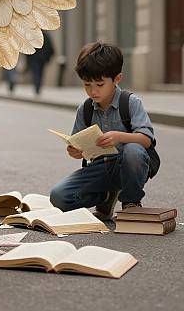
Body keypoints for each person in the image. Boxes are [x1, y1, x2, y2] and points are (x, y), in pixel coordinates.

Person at [50, 42, 159, 220]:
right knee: (58, 197)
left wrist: (119, 137)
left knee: (133, 151)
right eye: (87, 85)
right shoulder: (85, 109)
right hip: (100, 167)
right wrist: (75, 151)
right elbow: (77, 143)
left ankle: (131, 202)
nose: (93, 91)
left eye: (99, 84)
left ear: (117, 79)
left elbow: (146, 139)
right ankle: (105, 196)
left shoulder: (130, 102)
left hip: (129, 165)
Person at [26, 31, 54, 95]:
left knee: (37, 73)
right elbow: (51, 48)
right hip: (41, 59)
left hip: (35, 59)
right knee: (39, 73)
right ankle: (38, 86)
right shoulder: (45, 36)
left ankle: (37, 87)